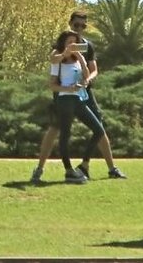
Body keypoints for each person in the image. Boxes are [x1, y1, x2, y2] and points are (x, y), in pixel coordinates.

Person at [29, 12, 125, 183]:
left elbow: (93, 69)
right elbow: (53, 60)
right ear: (70, 24)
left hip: (84, 93)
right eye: (76, 25)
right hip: (64, 95)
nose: (79, 28)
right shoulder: (62, 44)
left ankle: (107, 167)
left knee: (99, 126)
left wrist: (87, 79)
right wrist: (66, 53)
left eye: (83, 26)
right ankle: (40, 169)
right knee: (55, 129)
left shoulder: (87, 46)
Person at [40, 30, 110, 183]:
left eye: (75, 42)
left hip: (78, 99)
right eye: (69, 42)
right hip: (65, 101)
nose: (72, 45)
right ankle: (69, 171)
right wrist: (67, 88)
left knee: (98, 130)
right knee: (65, 135)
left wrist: (81, 60)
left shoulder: (77, 58)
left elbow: (86, 75)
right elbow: (52, 84)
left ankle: (83, 164)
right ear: (63, 43)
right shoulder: (58, 58)